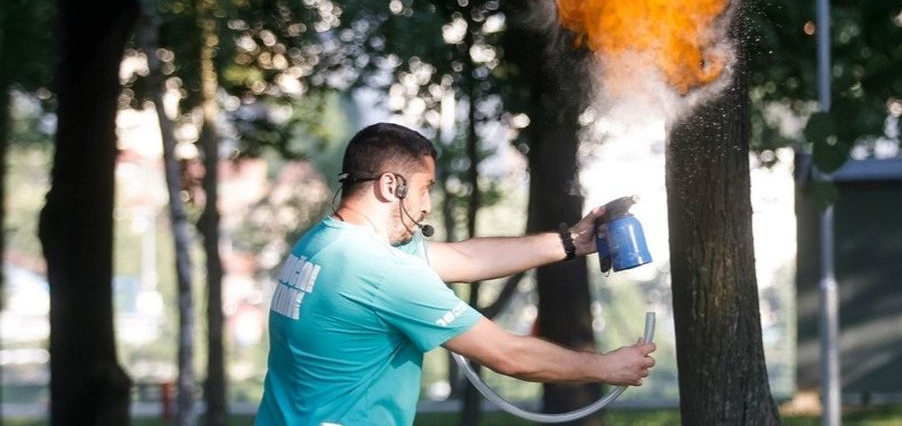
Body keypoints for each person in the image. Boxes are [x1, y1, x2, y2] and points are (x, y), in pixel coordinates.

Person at [255, 122, 656, 425]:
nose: (428, 204)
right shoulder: (380, 273)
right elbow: (509, 355)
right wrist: (606, 367)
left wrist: (571, 242)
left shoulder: (326, 242)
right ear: (391, 186)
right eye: (425, 187)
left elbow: (465, 259)